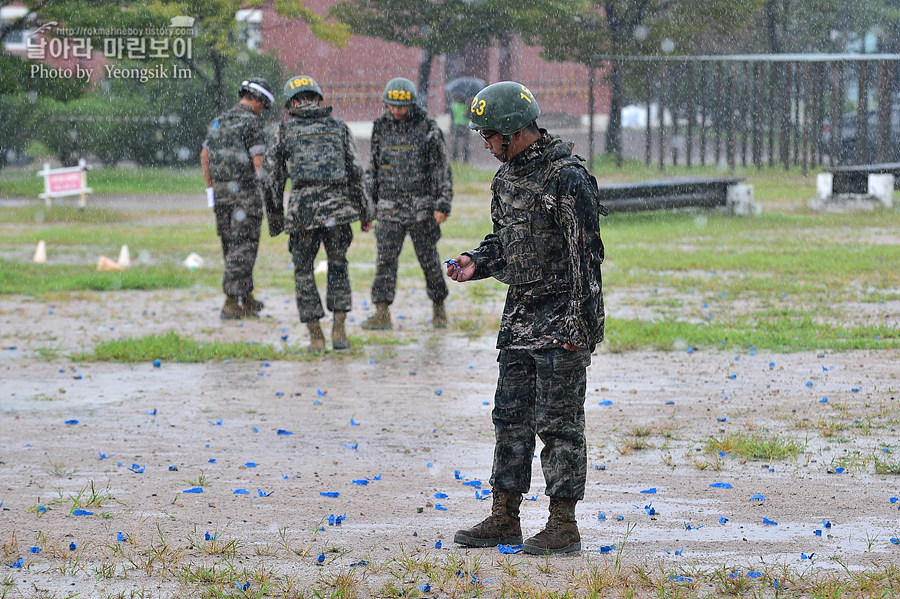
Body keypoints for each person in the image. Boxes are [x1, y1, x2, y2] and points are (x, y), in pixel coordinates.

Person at [447, 81, 607, 555]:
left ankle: (563, 524)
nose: (485, 144)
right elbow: (508, 242)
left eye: (489, 135)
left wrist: (584, 330)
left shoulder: (567, 177)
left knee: (559, 425)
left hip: (561, 323)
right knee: (510, 419)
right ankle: (503, 517)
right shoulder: (508, 178)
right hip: (519, 320)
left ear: (515, 131)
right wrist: (479, 260)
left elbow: (586, 259)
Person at [261, 75, 373, 351]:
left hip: (303, 214)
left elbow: (271, 179)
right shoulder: (339, 127)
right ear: (317, 98)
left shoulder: (284, 131)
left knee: (303, 272)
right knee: (338, 265)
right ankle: (339, 331)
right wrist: (365, 211)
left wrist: (276, 221)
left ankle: (315, 336)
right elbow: (356, 172)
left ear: (291, 103)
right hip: (338, 209)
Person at [361, 77, 453, 331]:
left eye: (401, 106)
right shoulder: (380, 127)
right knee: (385, 261)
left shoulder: (427, 127)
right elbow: (373, 168)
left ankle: (439, 308)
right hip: (389, 207)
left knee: (429, 260)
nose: (396, 111)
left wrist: (442, 205)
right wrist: (369, 208)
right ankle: (381, 312)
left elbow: (441, 168)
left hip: (421, 207)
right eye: (392, 106)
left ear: (411, 104)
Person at [200, 77, 274, 319]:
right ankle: (231, 302)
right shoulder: (251, 124)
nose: (262, 110)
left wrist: (211, 189)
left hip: (222, 195)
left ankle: (246, 297)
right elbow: (259, 162)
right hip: (246, 197)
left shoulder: (218, 121)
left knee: (231, 246)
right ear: (256, 99)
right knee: (244, 248)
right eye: (263, 105)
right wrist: (268, 190)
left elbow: (204, 156)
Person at [450, 95, 470, 163]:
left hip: (459, 126)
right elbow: (469, 116)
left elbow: (452, 118)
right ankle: (462, 158)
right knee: (461, 143)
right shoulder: (465, 106)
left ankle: (457, 158)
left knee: (458, 143)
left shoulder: (454, 105)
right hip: (461, 126)